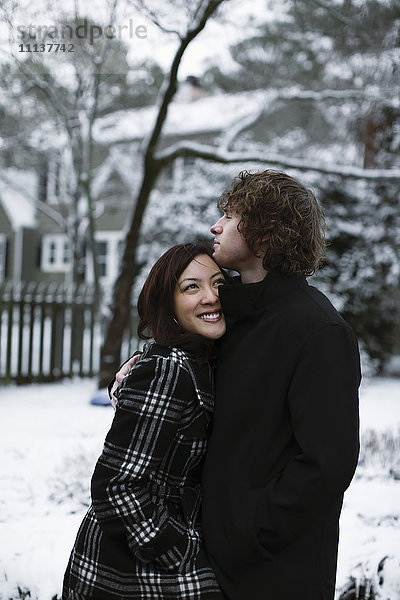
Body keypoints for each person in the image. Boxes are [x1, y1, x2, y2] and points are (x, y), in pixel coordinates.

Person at [112, 169, 361, 600]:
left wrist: (250, 534)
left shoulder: (317, 329)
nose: (216, 226)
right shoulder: (229, 312)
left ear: (266, 233)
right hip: (209, 559)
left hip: (275, 567)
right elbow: (181, 348)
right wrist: (141, 365)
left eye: (230, 215)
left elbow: (328, 463)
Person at [62, 243, 226, 600]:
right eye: (192, 287)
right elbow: (117, 485)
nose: (211, 296)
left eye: (218, 284)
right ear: (167, 305)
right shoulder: (168, 367)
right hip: (132, 567)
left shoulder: (195, 359)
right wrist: (181, 550)